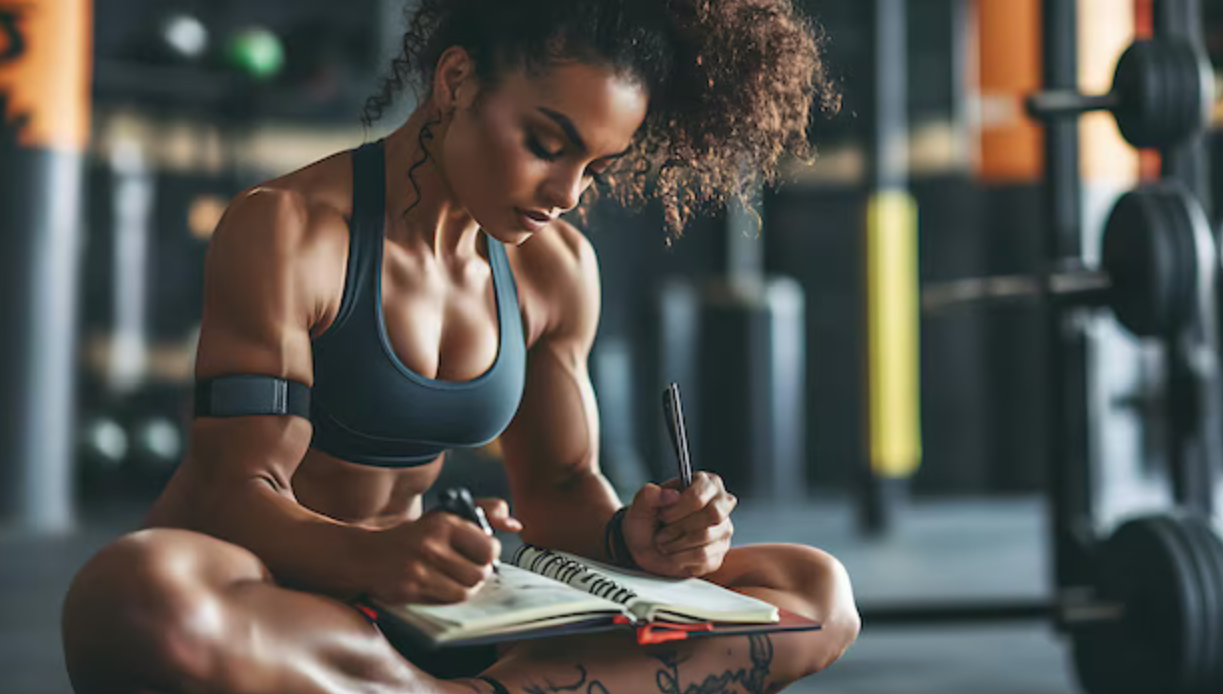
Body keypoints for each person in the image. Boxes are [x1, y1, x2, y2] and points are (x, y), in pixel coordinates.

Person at [61, 0, 858, 692]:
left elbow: (560, 486)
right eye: (548, 145)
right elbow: (233, 491)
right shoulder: (288, 230)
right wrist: (373, 557)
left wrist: (634, 536)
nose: (566, 194)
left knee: (812, 591)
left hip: (432, 611)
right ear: (455, 82)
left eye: (595, 169)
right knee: (140, 590)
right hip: (280, 599)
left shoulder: (556, 269)